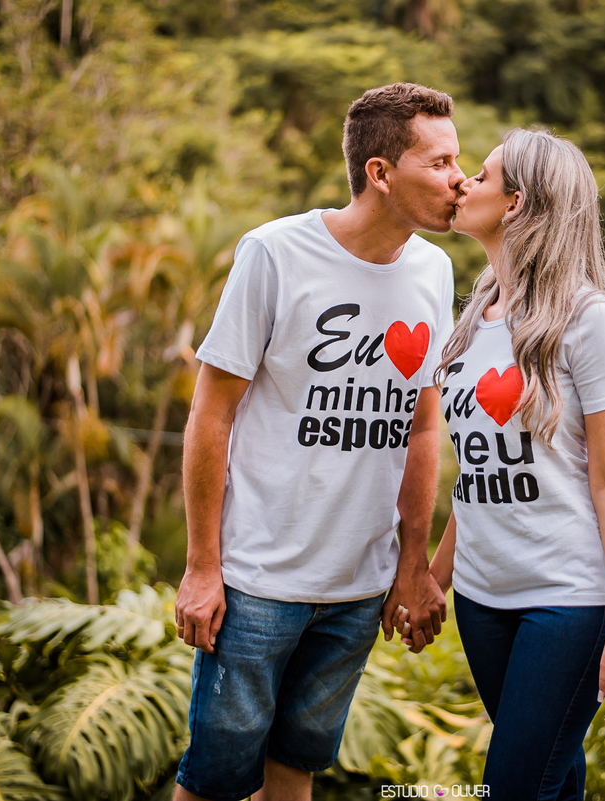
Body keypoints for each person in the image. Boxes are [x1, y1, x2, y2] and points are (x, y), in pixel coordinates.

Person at [173, 83, 465, 801]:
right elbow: (210, 415)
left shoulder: (434, 270)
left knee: (295, 768)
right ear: (381, 172)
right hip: (256, 581)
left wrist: (412, 564)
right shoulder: (275, 253)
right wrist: (202, 565)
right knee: (211, 781)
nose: (460, 177)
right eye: (440, 162)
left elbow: (423, 426)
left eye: (460, 160)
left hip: (358, 588)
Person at [397, 128, 605, 800]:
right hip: (484, 601)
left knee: (511, 789)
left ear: (516, 203)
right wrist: (430, 579)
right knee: (552, 782)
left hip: (566, 600)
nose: (462, 184)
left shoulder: (588, 321)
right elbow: (478, 479)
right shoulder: (473, 318)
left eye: (480, 174)